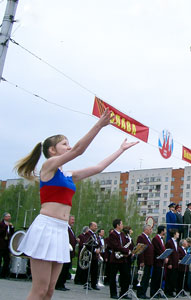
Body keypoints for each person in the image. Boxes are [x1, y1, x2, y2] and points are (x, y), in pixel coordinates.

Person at [14, 107, 138, 300]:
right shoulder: (48, 167)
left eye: (69, 143)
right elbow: (80, 150)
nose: (69, 147)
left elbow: (99, 167)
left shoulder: (69, 175)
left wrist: (120, 150)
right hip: (46, 227)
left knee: (48, 291)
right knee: (39, 290)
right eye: (65, 144)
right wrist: (99, 125)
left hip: (60, 230)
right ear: (52, 150)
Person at [108, 219, 132, 299]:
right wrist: (126, 251)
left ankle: (124, 293)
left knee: (125, 275)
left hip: (122, 258)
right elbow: (116, 246)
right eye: (121, 224)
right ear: (117, 225)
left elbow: (125, 243)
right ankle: (113, 294)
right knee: (113, 277)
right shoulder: (112, 234)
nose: (122, 225)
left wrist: (129, 239)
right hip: (115, 258)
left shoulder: (122, 234)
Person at [55, 215, 77, 291]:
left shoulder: (70, 229)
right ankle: (59, 284)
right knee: (63, 269)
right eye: (72, 219)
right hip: (65, 252)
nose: (73, 221)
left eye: (74, 219)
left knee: (66, 269)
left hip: (70, 253)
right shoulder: (65, 228)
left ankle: (62, 284)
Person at [136, 225, 154, 299]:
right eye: (150, 229)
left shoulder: (148, 238)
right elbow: (140, 250)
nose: (151, 231)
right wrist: (141, 260)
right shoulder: (141, 237)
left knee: (146, 278)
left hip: (149, 261)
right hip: (144, 261)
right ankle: (140, 293)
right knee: (142, 278)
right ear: (146, 230)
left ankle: (144, 292)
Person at [83, 221, 101, 290]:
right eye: (95, 226)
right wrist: (94, 250)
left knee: (95, 270)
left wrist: (99, 248)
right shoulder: (88, 234)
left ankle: (94, 284)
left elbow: (97, 243)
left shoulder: (95, 235)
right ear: (90, 227)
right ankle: (86, 283)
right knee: (88, 270)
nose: (96, 227)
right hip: (89, 254)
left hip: (95, 255)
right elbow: (87, 244)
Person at [150, 225, 167, 298]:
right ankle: (153, 292)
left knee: (160, 278)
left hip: (161, 262)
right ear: (162, 231)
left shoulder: (162, 239)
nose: (165, 231)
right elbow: (157, 249)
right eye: (165, 230)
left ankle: (158, 291)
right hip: (157, 261)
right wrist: (163, 256)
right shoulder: (155, 239)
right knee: (155, 278)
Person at [165, 228, 180, 297]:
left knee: (174, 278)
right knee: (169, 277)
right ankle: (167, 291)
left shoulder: (176, 242)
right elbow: (169, 253)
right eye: (177, 233)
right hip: (171, 263)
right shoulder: (169, 242)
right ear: (174, 234)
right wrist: (169, 263)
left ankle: (171, 291)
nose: (178, 234)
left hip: (175, 263)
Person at [0, 212, 14, 279]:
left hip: (6, 245)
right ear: (4, 217)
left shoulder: (10, 225)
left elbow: (12, 233)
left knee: (7, 260)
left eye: (10, 216)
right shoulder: (1, 224)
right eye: (8, 216)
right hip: (1, 244)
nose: (9, 217)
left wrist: (11, 227)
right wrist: (6, 226)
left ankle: (4, 274)